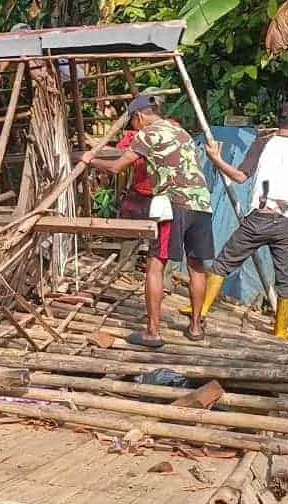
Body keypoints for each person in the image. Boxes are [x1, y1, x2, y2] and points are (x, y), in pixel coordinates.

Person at [82, 95, 214, 347]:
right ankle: (196, 327)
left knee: (156, 263)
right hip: (202, 204)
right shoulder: (181, 132)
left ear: (139, 116)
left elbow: (116, 167)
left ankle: (152, 332)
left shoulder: (147, 134)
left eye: (133, 122)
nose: (135, 128)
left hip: (174, 205)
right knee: (197, 266)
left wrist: (90, 160)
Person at [198, 102, 288, 340]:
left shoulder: (262, 143)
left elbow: (239, 176)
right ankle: (281, 331)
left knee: (224, 262)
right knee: (286, 278)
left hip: (260, 217)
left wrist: (216, 158)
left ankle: (201, 311)